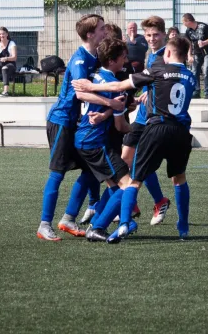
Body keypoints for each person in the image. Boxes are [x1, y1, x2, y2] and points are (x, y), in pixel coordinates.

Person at [72, 35, 196, 242]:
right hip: (182, 132)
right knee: (179, 178)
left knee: (134, 180)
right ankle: (183, 227)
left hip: (157, 128)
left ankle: (123, 224)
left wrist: (91, 87)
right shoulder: (191, 76)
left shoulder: (158, 69)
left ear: (167, 53)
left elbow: (121, 86)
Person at [37, 14, 125, 241]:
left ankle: (68, 218)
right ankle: (44, 224)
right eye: (102, 28)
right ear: (90, 34)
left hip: (78, 124)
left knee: (89, 172)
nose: (105, 31)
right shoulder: (79, 60)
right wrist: (111, 104)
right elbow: (80, 92)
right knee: (58, 173)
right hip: (62, 121)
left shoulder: (96, 56)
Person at [74, 38, 132, 241]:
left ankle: (96, 223)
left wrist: (106, 112)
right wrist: (140, 132)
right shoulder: (115, 86)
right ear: (113, 60)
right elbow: (121, 126)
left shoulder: (94, 76)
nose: (126, 59)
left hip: (83, 137)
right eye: (123, 56)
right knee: (127, 186)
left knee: (114, 186)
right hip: (95, 142)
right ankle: (97, 227)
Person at [121, 16, 171, 227]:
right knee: (125, 157)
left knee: (140, 161)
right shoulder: (151, 55)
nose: (151, 39)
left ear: (164, 35)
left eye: (155, 35)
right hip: (142, 114)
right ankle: (136, 204)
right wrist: (145, 94)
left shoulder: (165, 57)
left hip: (154, 118)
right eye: (148, 35)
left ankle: (156, 201)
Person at [182, 13, 208, 99]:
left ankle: (207, 92)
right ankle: (196, 91)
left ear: (188, 21)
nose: (183, 24)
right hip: (197, 53)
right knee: (195, 71)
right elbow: (189, 44)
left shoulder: (203, 26)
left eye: (183, 22)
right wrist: (189, 55)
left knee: (206, 69)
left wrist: (205, 42)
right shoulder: (188, 31)